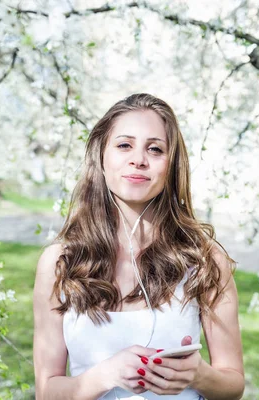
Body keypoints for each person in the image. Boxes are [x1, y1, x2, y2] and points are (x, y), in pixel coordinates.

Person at [33, 93, 244, 399]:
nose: (138, 159)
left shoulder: (204, 260)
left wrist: (199, 375)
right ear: (101, 157)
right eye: (124, 145)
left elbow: (233, 384)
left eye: (155, 149)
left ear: (171, 165)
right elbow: (46, 391)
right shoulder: (60, 262)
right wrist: (105, 375)